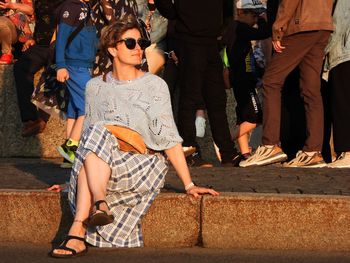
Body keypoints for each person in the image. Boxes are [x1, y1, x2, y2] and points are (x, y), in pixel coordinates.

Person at [50, 16, 218, 258]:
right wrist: (73, 179)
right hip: (105, 162)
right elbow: (89, 142)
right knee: (96, 130)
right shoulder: (94, 86)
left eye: (141, 42)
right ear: (112, 49)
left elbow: (169, 138)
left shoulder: (154, 85)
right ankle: (91, 213)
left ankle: (84, 221)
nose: (139, 48)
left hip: (142, 163)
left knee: (97, 133)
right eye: (130, 43)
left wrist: (189, 184)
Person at [240, 0, 334, 168]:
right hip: (323, 24)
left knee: (270, 82)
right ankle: (313, 151)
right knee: (311, 90)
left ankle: (270, 145)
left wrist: (278, 28)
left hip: (301, 24)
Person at [155, 0, 240, 167]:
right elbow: (166, 8)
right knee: (190, 96)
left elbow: (228, 7)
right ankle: (188, 148)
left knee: (217, 98)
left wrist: (223, 32)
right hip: (189, 41)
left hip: (211, 42)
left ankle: (227, 152)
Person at [224, 0, 269, 161]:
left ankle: (245, 153)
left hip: (243, 78)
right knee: (255, 118)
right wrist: (264, 20)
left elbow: (248, 57)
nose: (256, 20)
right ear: (242, 13)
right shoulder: (239, 27)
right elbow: (263, 33)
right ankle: (224, 142)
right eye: (255, 16)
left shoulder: (237, 29)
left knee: (243, 117)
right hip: (243, 80)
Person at [14, 0, 65, 138]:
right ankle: (30, 118)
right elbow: (41, 19)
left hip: (61, 44)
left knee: (52, 69)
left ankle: (42, 119)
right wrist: (33, 39)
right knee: (21, 67)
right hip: (40, 45)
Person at [56, 0, 98, 164]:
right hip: (74, 64)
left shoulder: (86, 7)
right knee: (89, 106)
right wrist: (60, 65)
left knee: (74, 109)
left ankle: (68, 158)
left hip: (84, 63)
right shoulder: (70, 7)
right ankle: (71, 148)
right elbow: (61, 37)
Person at [324, 0, 350, 168]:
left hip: (343, 57)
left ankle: (347, 152)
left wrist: (323, 51)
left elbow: (338, 26)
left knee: (342, 105)